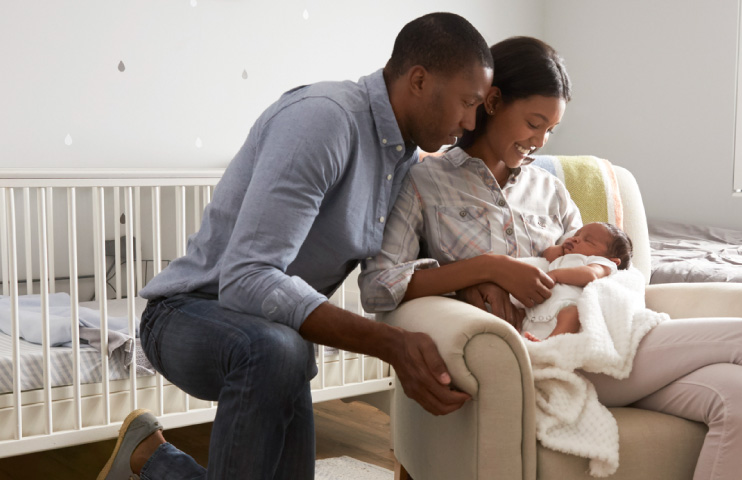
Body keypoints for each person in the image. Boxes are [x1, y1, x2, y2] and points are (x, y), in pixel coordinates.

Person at [359, 36, 742, 479]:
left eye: (551, 130)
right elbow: (380, 285)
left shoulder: (550, 191)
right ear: (492, 102)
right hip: (538, 357)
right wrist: (484, 269)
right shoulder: (425, 182)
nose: (539, 141)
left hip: (600, 340)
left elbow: (596, 269)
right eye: (534, 123)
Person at [97, 13, 493, 480]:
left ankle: (150, 458)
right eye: (467, 103)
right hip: (188, 314)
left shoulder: (404, 160)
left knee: (285, 354)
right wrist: (391, 344)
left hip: (276, 342)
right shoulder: (325, 119)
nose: (469, 122)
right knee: (283, 349)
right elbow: (246, 279)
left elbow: (387, 278)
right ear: (420, 81)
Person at [516, 221, 632, 341]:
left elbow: (591, 274)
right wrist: (561, 247)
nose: (576, 239)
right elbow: (546, 255)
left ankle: (548, 344)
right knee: (516, 311)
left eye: (588, 240)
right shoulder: (564, 257)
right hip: (540, 306)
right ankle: (521, 339)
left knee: (572, 315)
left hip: (567, 304)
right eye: (576, 235)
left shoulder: (602, 262)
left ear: (613, 261)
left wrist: (555, 275)